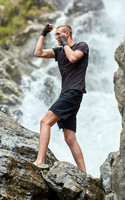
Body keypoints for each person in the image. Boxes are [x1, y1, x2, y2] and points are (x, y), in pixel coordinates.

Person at [33, 23, 89, 173]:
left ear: (67, 34)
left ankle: (39, 161)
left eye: (59, 34)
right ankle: (84, 174)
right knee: (69, 137)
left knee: (45, 122)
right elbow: (38, 53)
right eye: (56, 35)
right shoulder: (59, 51)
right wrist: (43, 33)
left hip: (73, 92)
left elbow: (72, 58)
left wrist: (64, 43)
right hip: (67, 94)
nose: (56, 37)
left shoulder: (81, 46)